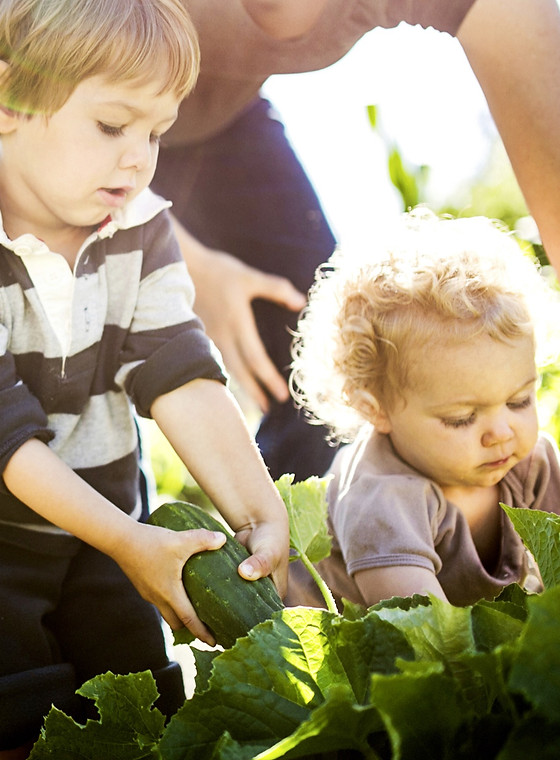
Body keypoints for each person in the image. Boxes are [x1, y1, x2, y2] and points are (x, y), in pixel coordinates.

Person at [0, 1, 289, 755]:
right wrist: (130, 541)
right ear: (8, 105)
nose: (139, 158)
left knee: (143, 714)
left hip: (106, 534)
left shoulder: (143, 228)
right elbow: (5, 437)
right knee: (19, 724)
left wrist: (254, 505)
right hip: (5, 548)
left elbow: (178, 372)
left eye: (156, 133)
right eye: (111, 126)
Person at [151, 0, 560, 481]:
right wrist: (187, 265)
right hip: (65, 120)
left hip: (219, 122)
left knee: (313, 360)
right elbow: (42, 136)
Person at [286, 208, 560, 610]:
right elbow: (425, 637)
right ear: (376, 411)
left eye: (518, 401)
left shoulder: (530, 465)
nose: (501, 431)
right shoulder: (381, 499)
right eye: (462, 418)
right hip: (366, 655)